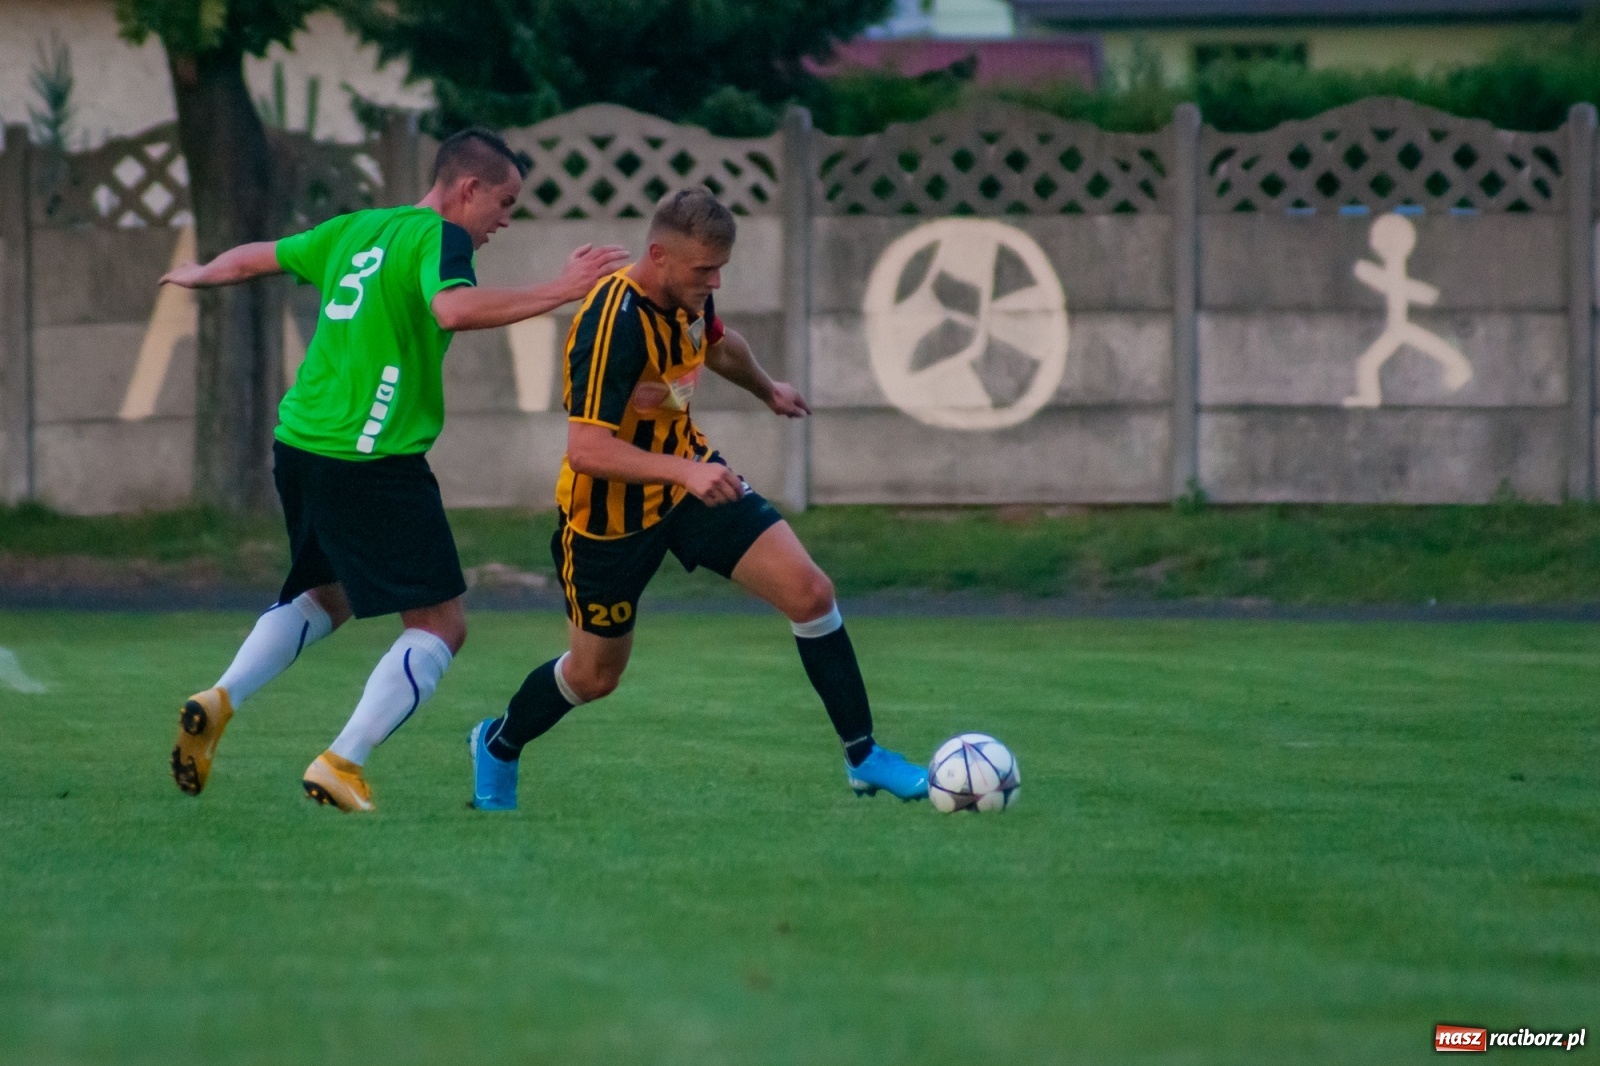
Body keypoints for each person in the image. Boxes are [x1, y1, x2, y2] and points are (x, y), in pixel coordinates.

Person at [165, 127, 629, 812]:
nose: (505, 219)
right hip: (370, 458)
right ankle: (342, 762)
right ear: (467, 189)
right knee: (441, 626)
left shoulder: (356, 228)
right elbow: (453, 308)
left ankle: (220, 698)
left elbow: (256, 259)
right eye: (504, 202)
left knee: (328, 595)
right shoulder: (442, 238)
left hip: (300, 443)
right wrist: (561, 289)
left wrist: (201, 272)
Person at [467, 187, 929, 811]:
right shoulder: (612, 323)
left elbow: (717, 344)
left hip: (690, 483)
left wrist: (767, 389)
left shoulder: (687, 295)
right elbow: (587, 450)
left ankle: (863, 756)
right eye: (704, 270)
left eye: (720, 270)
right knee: (594, 676)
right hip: (608, 520)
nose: (714, 282)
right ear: (659, 255)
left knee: (811, 592)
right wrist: (683, 473)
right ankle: (498, 744)